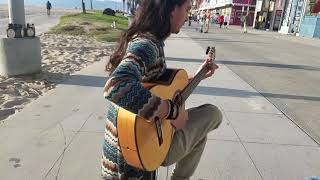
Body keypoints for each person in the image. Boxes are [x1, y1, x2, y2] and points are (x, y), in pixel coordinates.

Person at [101, 0, 223, 179]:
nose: (188, 15)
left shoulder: (144, 38)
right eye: (187, 9)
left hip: (127, 153)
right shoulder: (148, 45)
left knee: (199, 133)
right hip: (134, 157)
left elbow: (157, 86)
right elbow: (116, 85)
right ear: (172, 9)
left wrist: (198, 75)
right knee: (212, 114)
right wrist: (172, 112)